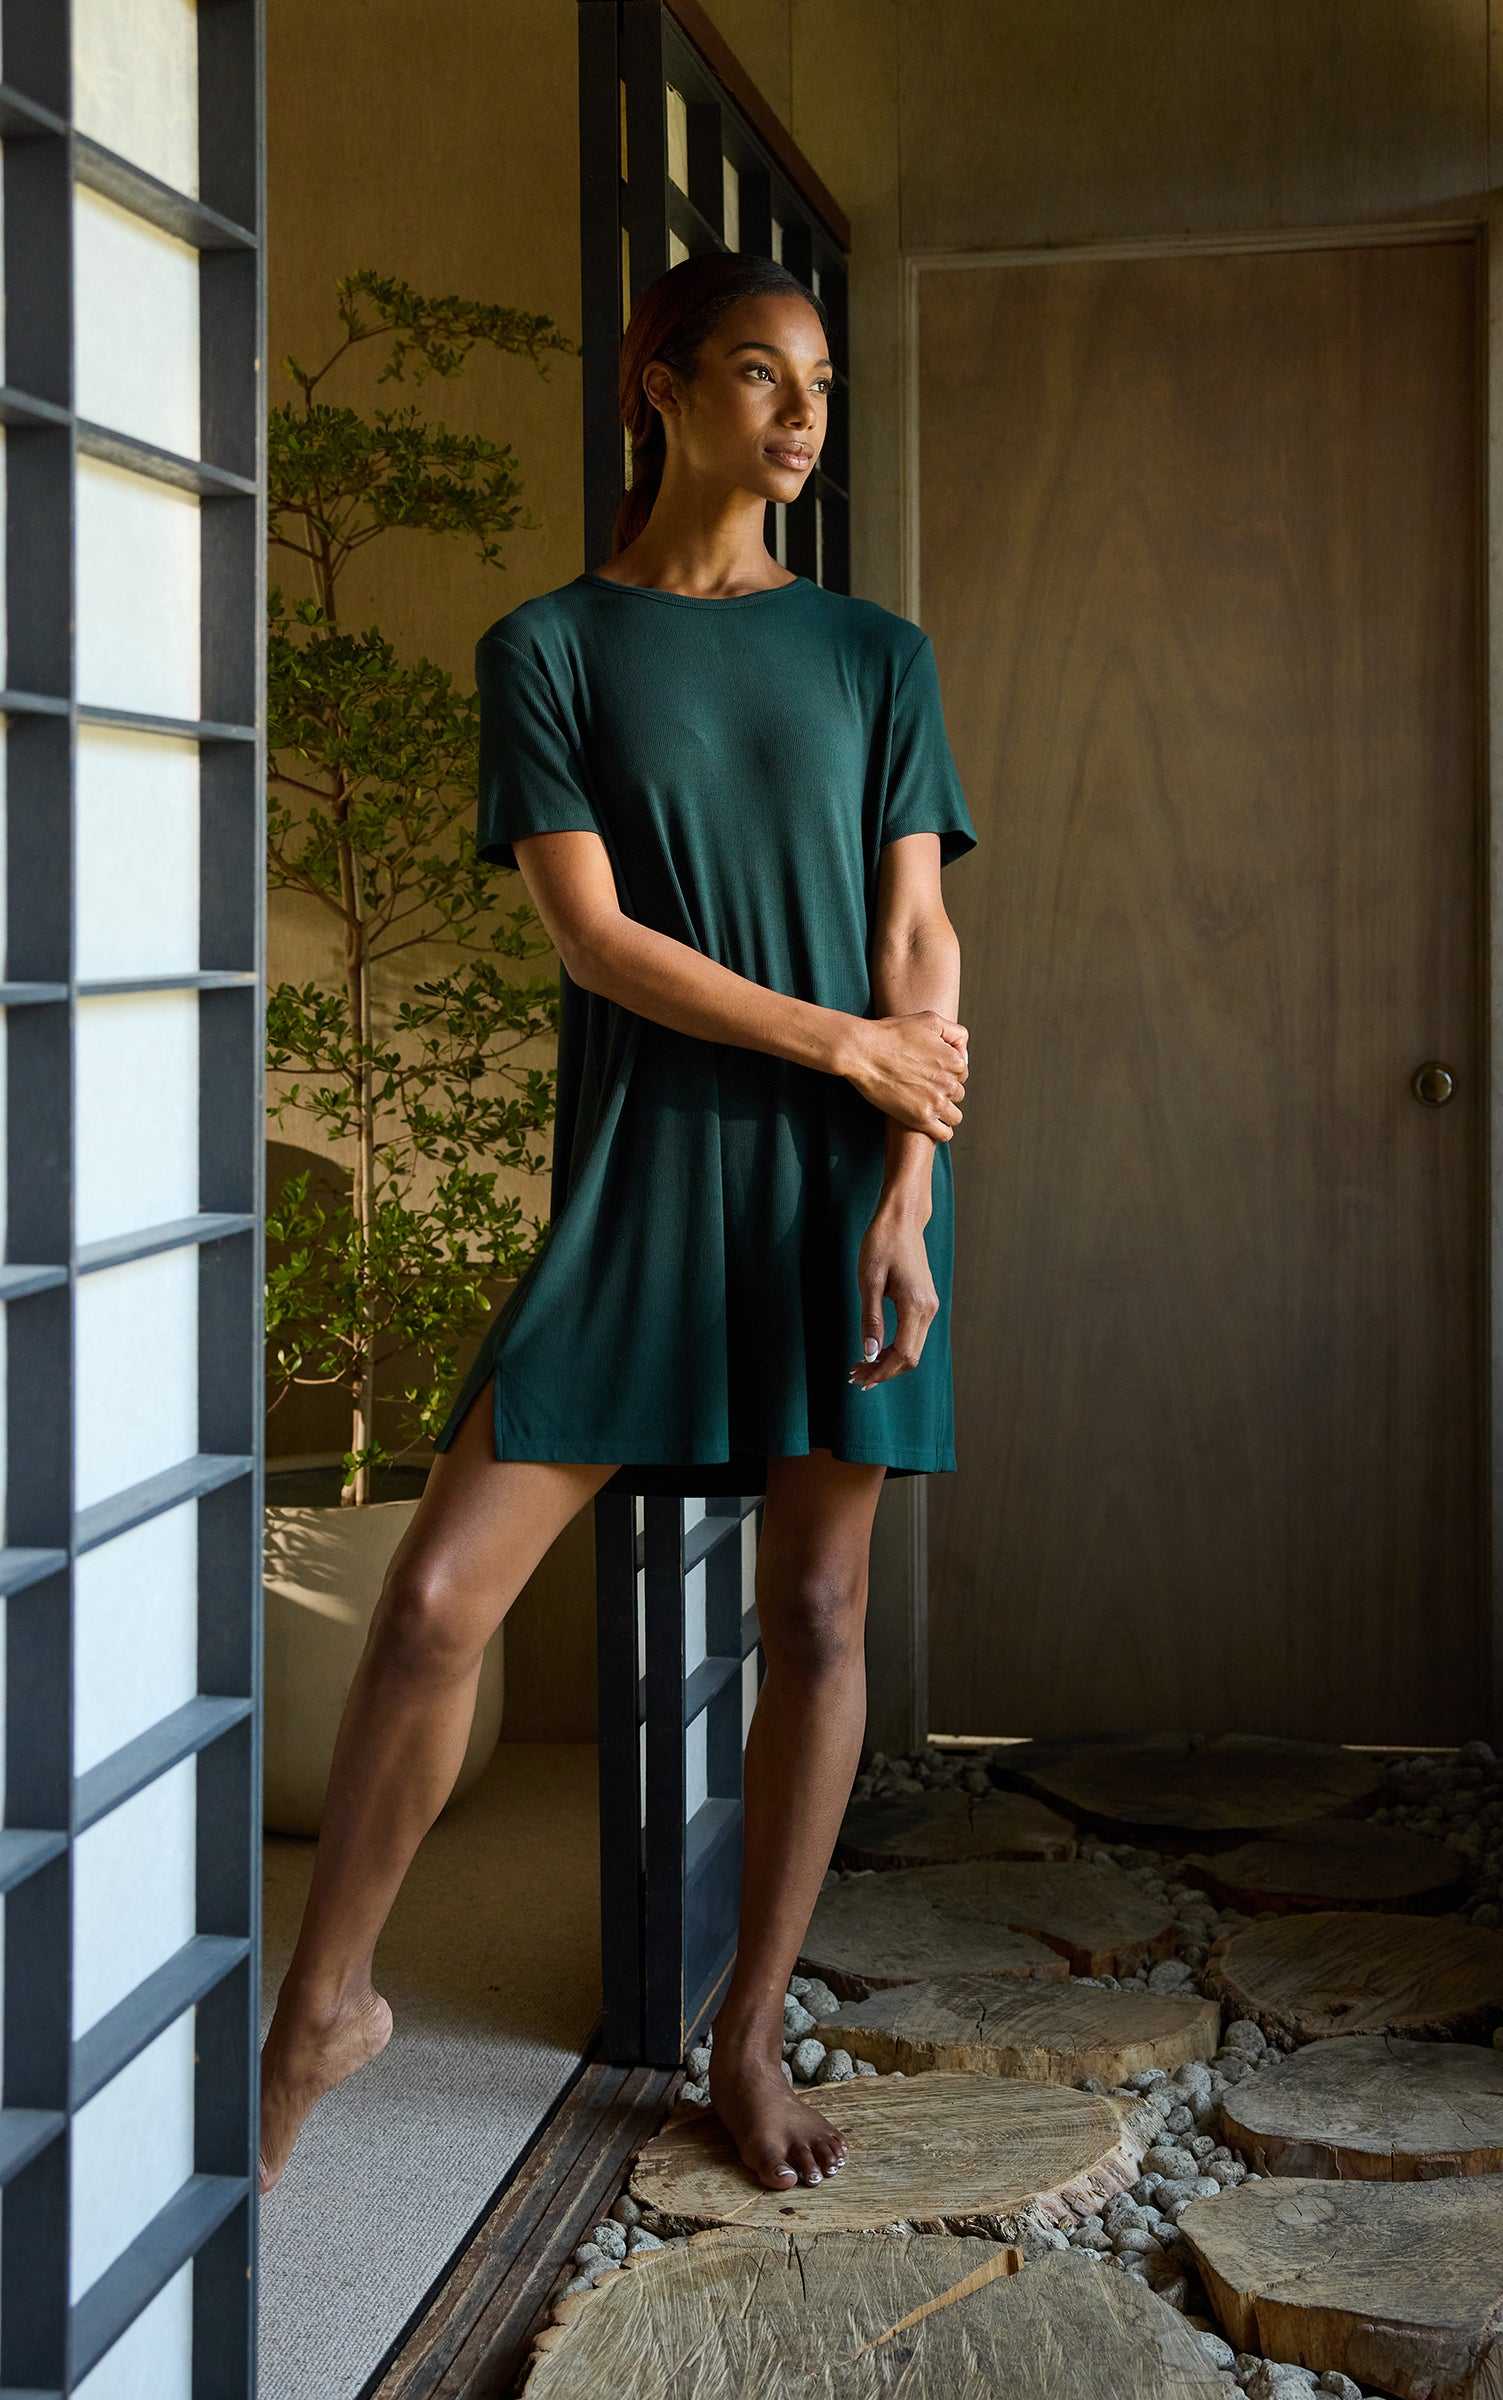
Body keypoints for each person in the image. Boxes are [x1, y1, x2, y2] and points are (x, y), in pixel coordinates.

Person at [257, 249, 979, 2199]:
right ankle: (324, 2003)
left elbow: (921, 938)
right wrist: (846, 1043)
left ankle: (744, 2033)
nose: (802, 413)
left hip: (847, 1179)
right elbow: (595, 938)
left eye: (817, 380)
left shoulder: (876, 654)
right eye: (757, 372)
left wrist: (908, 1180)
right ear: (659, 387)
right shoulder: (552, 648)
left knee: (814, 1614)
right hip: (652, 1168)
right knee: (433, 1602)